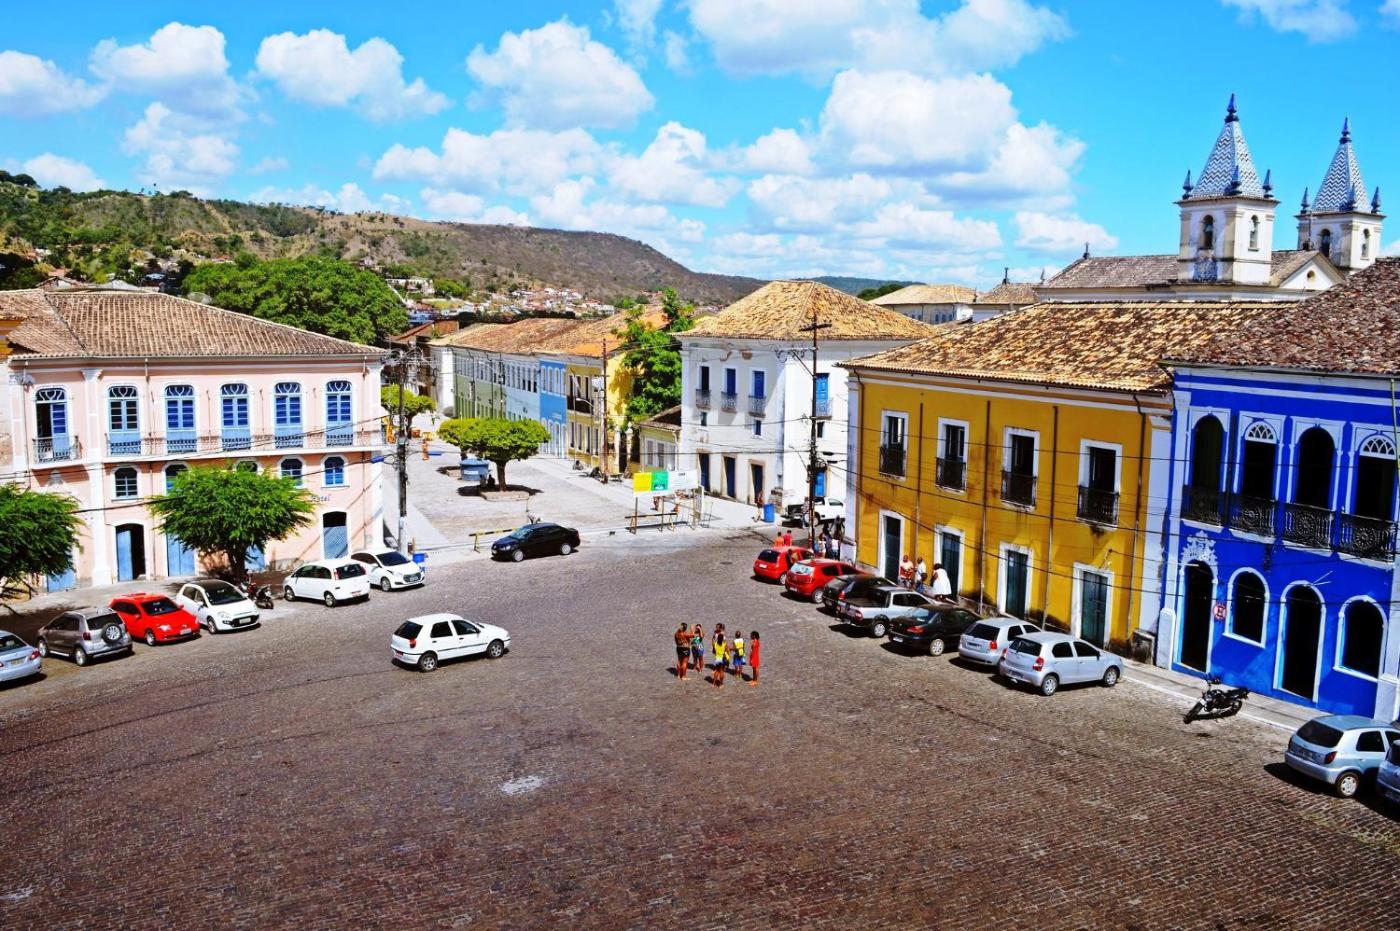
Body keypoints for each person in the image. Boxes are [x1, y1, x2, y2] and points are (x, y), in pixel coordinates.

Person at [712, 624, 728, 688]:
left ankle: (713, 683)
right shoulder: (724, 644)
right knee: (721, 671)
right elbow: (727, 650)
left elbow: (713, 643)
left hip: (717, 658)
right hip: (722, 658)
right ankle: (721, 684)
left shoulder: (715, 644)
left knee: (716, 671)